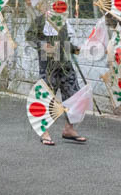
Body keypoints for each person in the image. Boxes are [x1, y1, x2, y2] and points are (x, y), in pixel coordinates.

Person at [27, 14, 87, 145]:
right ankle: (44, 131)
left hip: (65, 64)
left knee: (74, 96)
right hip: (48, 66)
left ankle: (69, 129)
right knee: (46, 97)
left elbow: (63, 42)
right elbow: (29, 37)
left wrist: (74, 48)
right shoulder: (40, 20)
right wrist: (42, 45)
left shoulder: (63, 21)